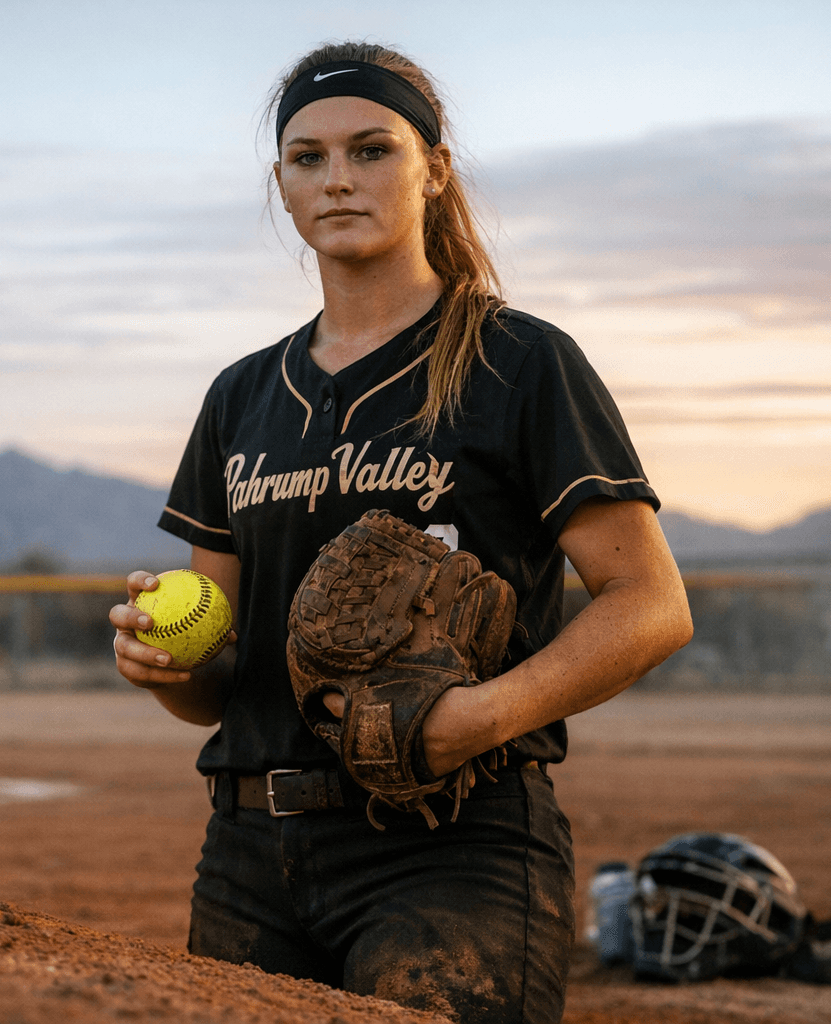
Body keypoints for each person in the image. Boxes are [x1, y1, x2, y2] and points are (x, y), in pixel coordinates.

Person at [109, 41, 693, 1024]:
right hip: (251, 850)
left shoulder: (518, 361)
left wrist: (480, 716)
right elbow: (221, 686)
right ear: (282, 187)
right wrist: (171, 671)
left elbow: (652, 605)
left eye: (370, 149)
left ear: (434, 169)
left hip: (455, 840)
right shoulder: (243, 397)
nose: (337, 178)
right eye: (307, 158)